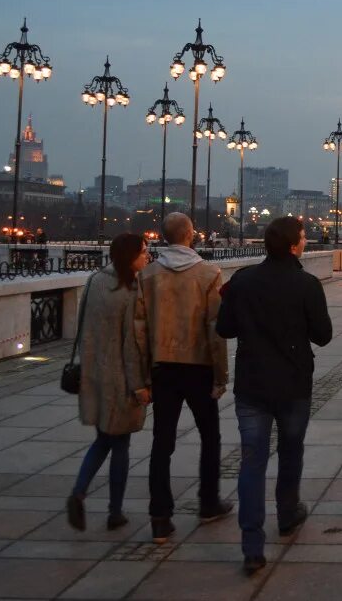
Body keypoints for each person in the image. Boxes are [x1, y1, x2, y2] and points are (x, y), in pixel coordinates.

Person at [218, 217, 333, 577]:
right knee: (290, 450)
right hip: (293, 383)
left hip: (252, 383)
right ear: (293, 245)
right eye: (302, 237)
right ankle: (286, 515)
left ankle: (252, 545)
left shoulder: (243, 280)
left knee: (252, 460)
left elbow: (224, 328)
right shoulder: (306, 284)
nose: (305, 241)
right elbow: (324, 335)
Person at [132, 212, 231, 544]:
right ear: (191, 235)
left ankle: (160, 515)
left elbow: (139, 333)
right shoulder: (208, 273)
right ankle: (208, 502)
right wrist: (221, 375)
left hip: (163, 368)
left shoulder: (147, 276)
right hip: (199, 365)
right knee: (210, 437)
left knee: (163, 442)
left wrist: (142, 377)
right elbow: (215, 330)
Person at [67, 233, 151, 532]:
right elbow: (132, 344)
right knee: (121, 443)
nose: (147, 256)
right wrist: (139, 384)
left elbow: (81, 328)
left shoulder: (94, 281)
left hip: (94, 374)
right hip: (120, 379)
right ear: (130, 256)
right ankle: (115, 511)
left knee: (104, 438)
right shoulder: (130, 289)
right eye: (143, 251)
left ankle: (79, 491)